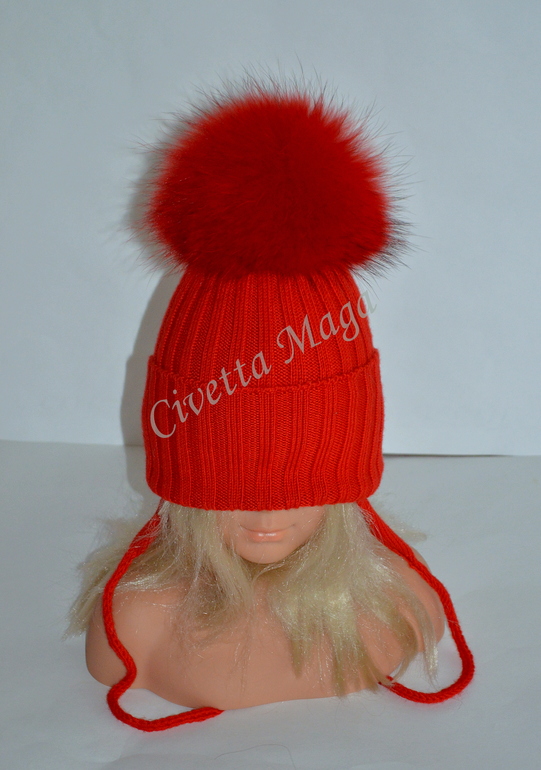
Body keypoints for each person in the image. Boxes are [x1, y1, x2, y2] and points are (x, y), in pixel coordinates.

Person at [66, 74, 474, 731]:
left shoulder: (398, 608)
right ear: (183, 475)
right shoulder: (134, 626)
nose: (265, 516)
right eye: (229, 485)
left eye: (301, 482)